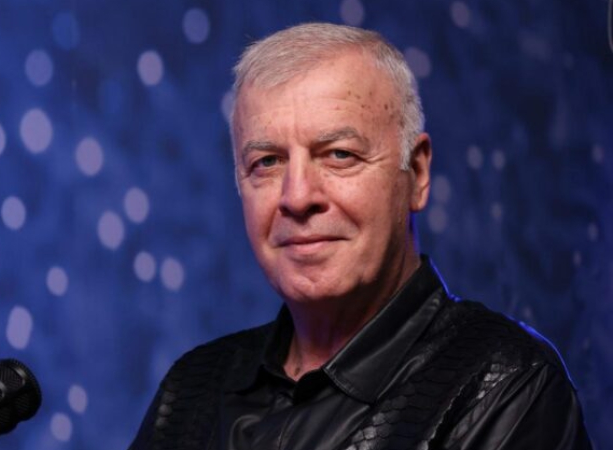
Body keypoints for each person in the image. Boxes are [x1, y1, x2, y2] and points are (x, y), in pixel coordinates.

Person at [130, 23, 592, 450]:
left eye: (339, 154)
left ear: (417, 174)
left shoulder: (506, 387)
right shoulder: (190, 390)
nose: (297, 197)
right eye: (267, 162)